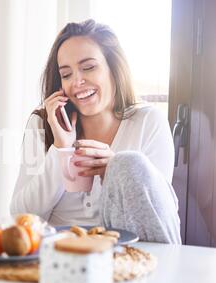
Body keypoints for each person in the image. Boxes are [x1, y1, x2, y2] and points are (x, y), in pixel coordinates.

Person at [10, 19, 181, 244]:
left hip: (127, 255)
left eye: (88, 67)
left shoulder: (149, 121)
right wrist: (62, 149)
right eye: (66, 74)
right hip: (59, 256)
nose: (77, 82)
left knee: (129, 163)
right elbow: (21, 217)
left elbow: (159, 214)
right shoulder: (42, 123)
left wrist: (116, 168)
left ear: (113, 69)